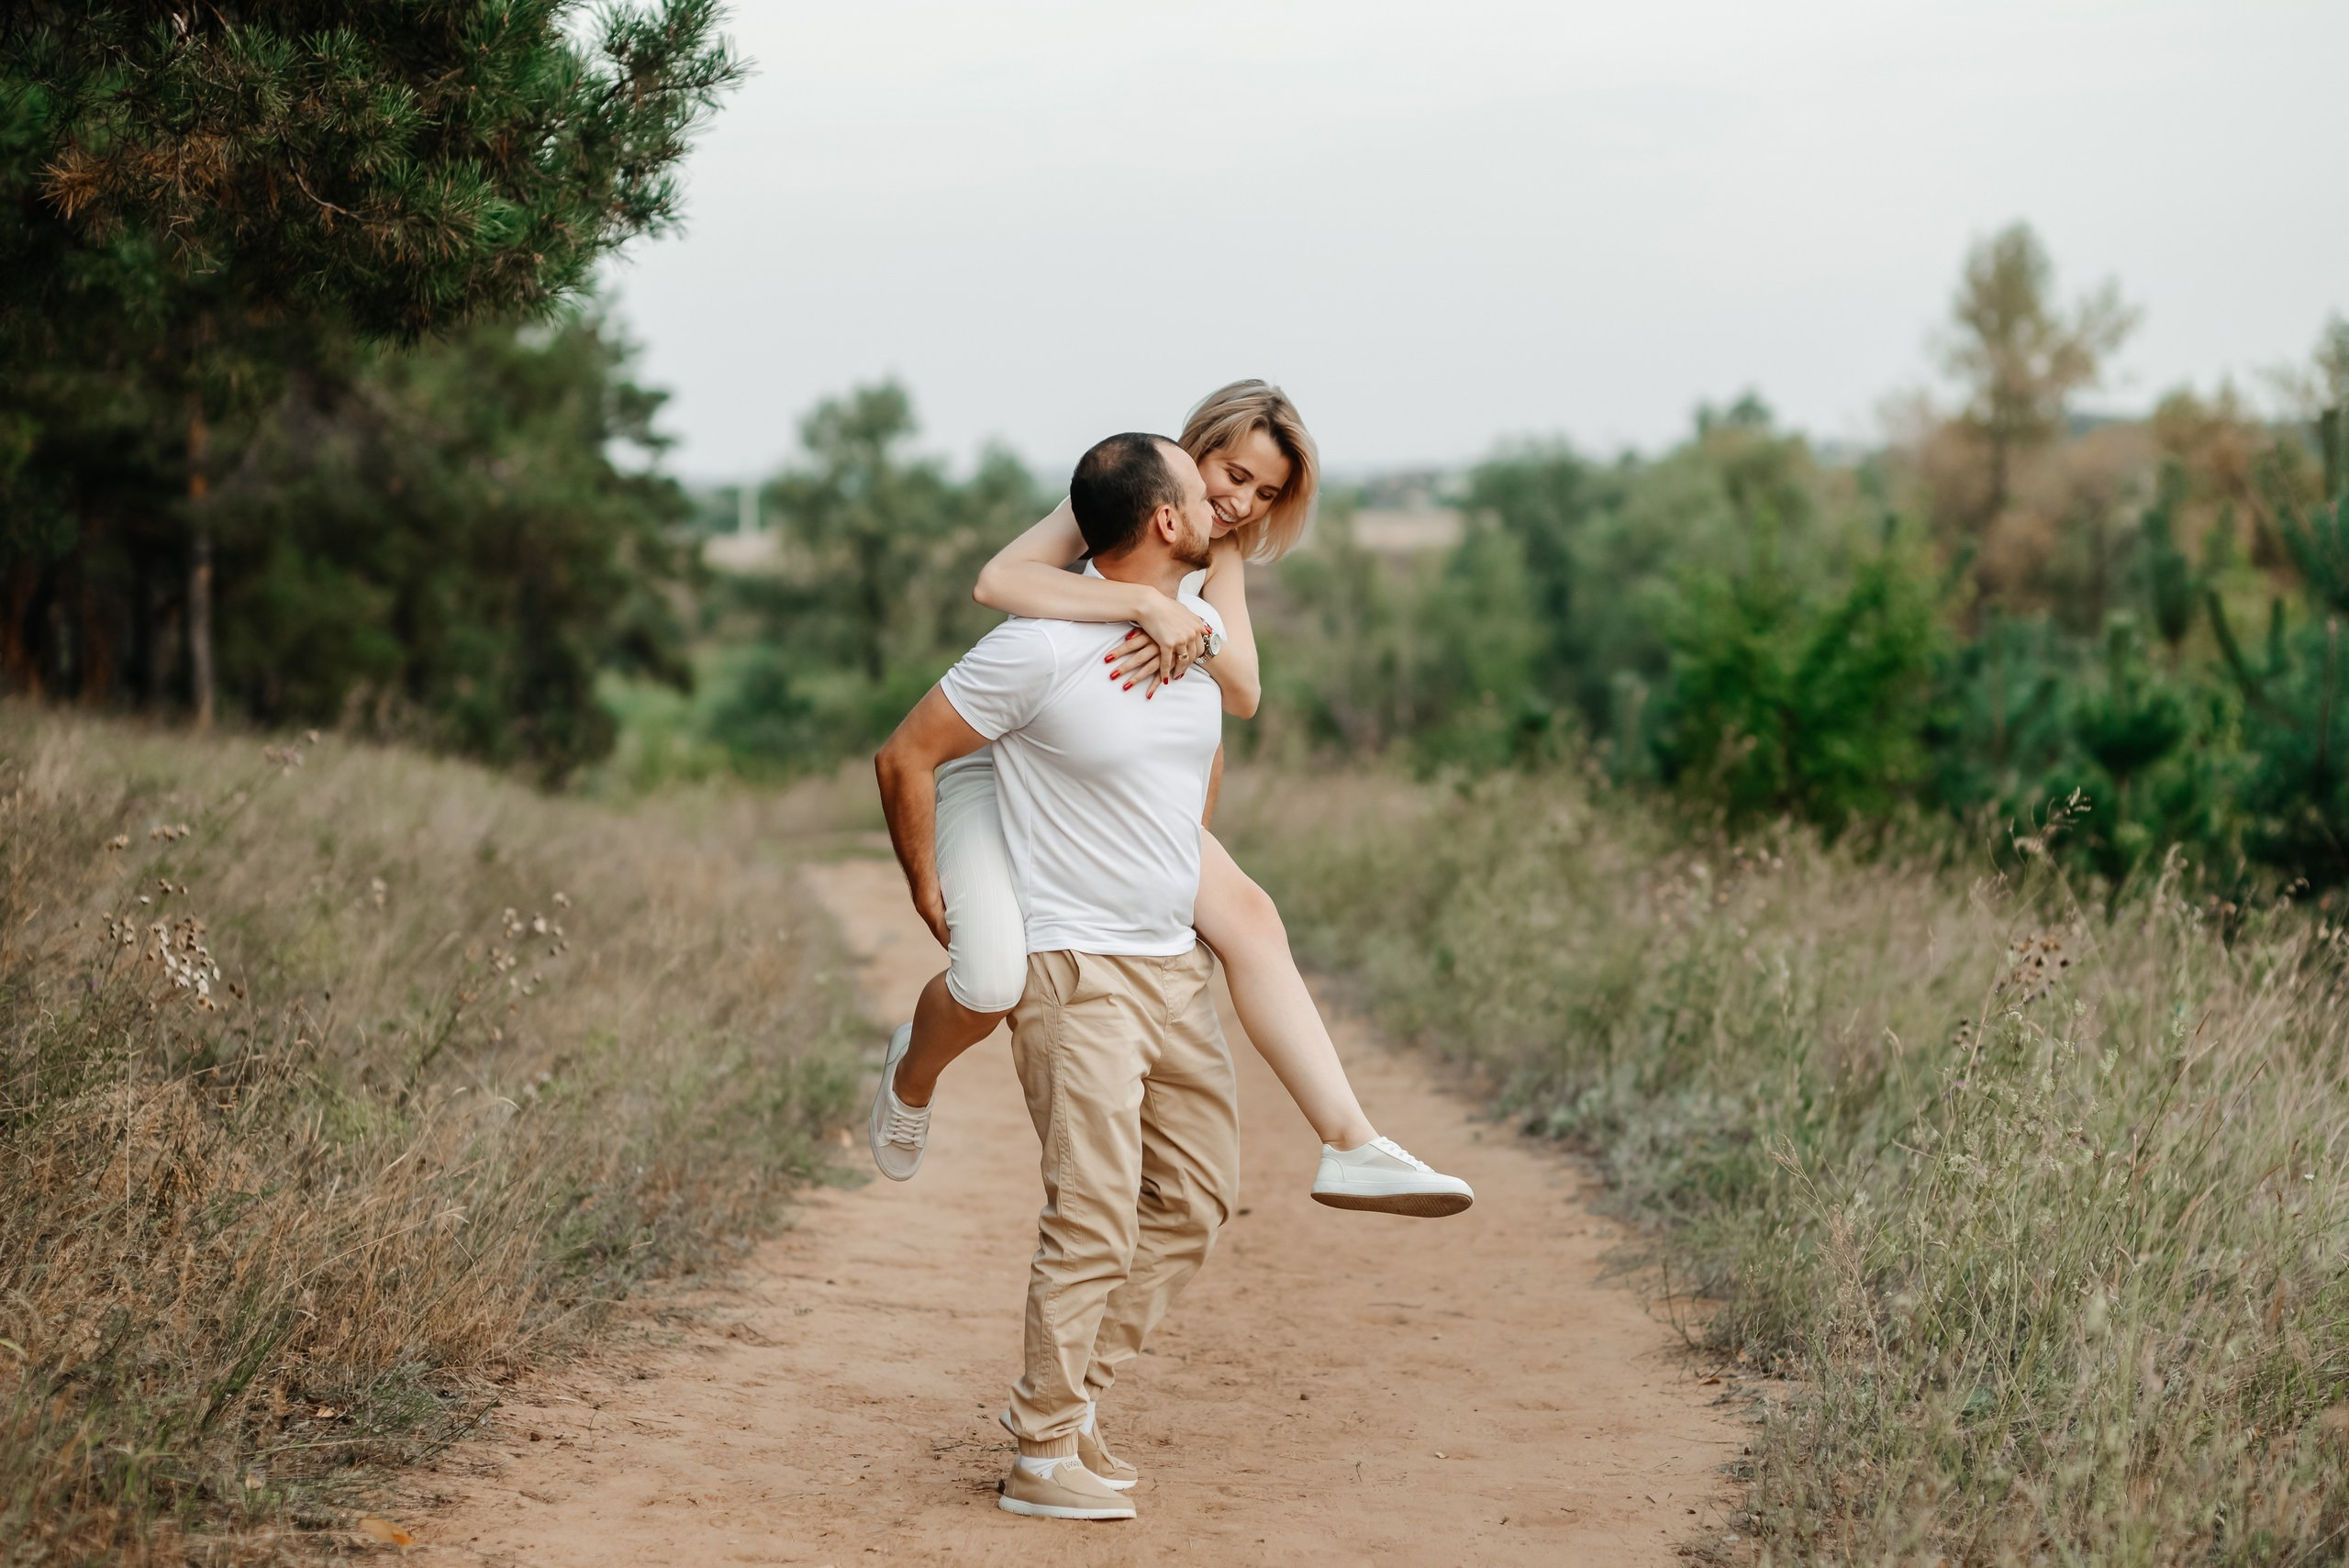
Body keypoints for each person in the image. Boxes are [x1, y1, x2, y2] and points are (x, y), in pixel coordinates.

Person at [866, 381, 1472, 1217]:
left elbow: (1246, 690)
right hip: (1009, 765)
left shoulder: (1219, 552)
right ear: (1197, 452)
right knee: (990, 980)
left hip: (1115, 789)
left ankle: (1351, 1143)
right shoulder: (1119, 501)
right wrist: (1143, 605)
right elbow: (998, 582)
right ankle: (912, 1071)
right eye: (1232, 474)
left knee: (1253, 916)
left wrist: (1190, 638)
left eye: (1265, 493)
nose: (1239, 502)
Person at [875, 433, 1252, 1519]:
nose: (1225, 507)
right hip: (1076, 967)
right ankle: (1042, 1453)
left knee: (1193, 1198)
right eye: (1203, 491)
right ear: (1167, 522)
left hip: (1170, 967)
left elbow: (1207, 756)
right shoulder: (1035, 646)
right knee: (1090, 1212)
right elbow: (905, 753)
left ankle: (1068, 1396)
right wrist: (925, 886)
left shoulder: (1202, 627)